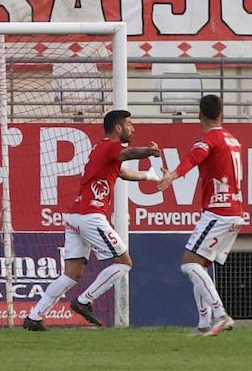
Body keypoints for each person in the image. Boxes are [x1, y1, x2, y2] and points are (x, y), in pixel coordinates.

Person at [23, 109, 161, 331]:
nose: (132, 128)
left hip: (75, 216)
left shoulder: (102, 149)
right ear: (118, 128)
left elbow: (123, 173)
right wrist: (149, 151)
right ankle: (84, 301)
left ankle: (34, 317)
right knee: (124, 263)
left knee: (71, 274)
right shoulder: (112, 147)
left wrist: (149, 176)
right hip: (90, 215)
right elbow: (128, 154)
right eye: (129, 124)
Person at [155, 94, 244, 337]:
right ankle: (204, 322)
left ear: (199, 115)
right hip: (235, 211)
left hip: (219, 210)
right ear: (222, 114)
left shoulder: (209, 139)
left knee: (189, 263)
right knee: (201, 265)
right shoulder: (232, 139)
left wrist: (172, 175)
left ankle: (220, 314)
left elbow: (193, 158)